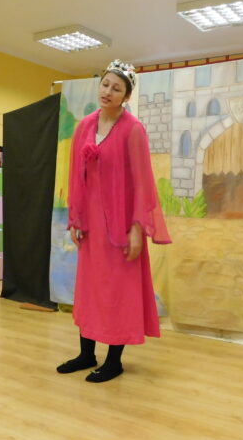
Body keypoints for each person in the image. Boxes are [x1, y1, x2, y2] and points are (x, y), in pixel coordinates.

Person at [58, 59, 171, 383]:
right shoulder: (84, 126)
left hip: (121, 225)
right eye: (105, 84)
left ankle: (114, 361)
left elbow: (142, 182)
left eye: (116, 88)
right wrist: (76, 217)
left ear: (126, 96)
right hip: (91, 225)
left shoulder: (133, 129)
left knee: (118, 291)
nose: (108, 91)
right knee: (90, 289)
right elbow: (76, 175)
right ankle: (86, 353)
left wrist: (137, 228)